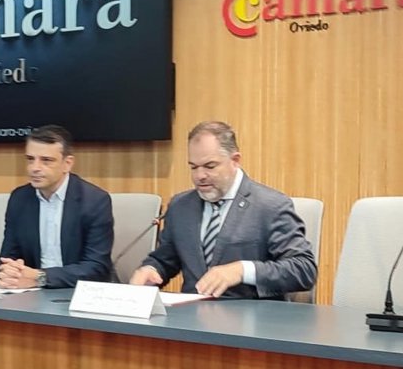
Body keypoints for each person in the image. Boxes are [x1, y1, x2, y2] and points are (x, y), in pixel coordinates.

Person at [129, 121, 315, 299]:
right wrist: (151, 270)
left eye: (210, 166)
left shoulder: (270, 205)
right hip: (190, 316)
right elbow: (165, 260)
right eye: (193, 167)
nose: (199, 176)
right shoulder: (180, 206)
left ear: (235, 161)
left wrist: (243, 270)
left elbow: (303, 269)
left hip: (250, 316)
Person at [0, 125, 114, 289]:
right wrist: (8, 273)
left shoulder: (94, 200)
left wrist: (40, 277)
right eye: (30, 159)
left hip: (80, 291)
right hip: (31, 293)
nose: (35, 168)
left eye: (46, 160)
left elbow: (96, 268)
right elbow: (8, 257)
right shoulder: (20, 199)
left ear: (67, 164)